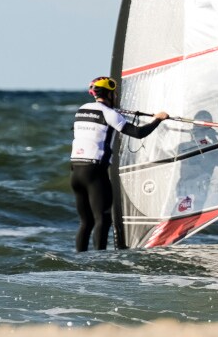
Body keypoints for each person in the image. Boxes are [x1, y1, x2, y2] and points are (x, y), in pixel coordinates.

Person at [69, 76, 170, 252]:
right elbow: (138, 133)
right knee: (103, 218)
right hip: (94, 171)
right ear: (109, 94)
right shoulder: (109, 114)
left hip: (75, 171)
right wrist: (158, 119)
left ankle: (79, 260)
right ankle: (98, 260)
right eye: (115, 93)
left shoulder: (82, 110)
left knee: (86, 222)